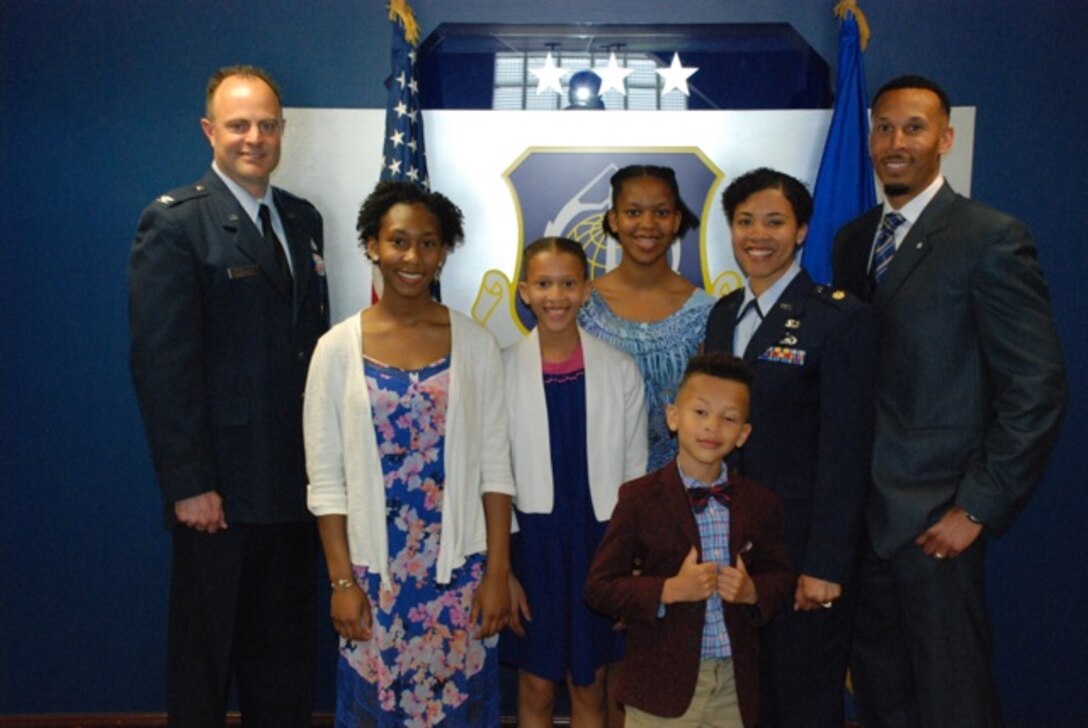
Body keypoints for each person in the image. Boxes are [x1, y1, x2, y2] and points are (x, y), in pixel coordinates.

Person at [832, 75, 1068, 727]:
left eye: (913, 127)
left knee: (952, 701)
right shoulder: (853, 243)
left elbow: (1036, 386)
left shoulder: (989, 236)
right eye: (884, 127)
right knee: (882, 700)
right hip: (862, 525)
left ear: (946, 137)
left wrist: (978, 506)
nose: (896, 142)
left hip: (938, 525)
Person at [128, 65, 327, 725]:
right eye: (239, 124)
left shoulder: (303, 220)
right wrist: (189, 482)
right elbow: (163, 363)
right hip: (218, 492)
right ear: (209, 130)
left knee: (285, 665)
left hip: (293, 486)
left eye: (267, 124)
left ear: (282, 131)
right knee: (204, 668)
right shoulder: (177, 224)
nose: (254, 137)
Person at [303, 181, 514, 727]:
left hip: (460, 576)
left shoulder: (476, 344)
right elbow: (326, 481)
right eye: (399, 241)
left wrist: (496, 571)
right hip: (374, 577)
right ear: (372, 244)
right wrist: (342, 583)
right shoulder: (335, 350)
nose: (413, 257)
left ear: (444, 252)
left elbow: (496, 466)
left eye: (428, 243)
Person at [703, 168, 875, 727]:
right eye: (745, 221)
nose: (758, 234)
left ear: (801, 230)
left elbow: (846, 451)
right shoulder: (723, 314)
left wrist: (825, 563)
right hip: (732, 551)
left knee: (802, 701)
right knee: (745, 701)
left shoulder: (839, 318)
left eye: (775, 222)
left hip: (802, 555)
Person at [585, 353, 793, 728]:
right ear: (673, 417)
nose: (713, 427)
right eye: (700, 412)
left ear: (744, 433)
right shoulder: (638, 498)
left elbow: (780, 576)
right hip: (659, 687)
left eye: (728, 418)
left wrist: (752, 593)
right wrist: (668, 590)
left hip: (733, 686)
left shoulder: (760, 503)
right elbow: (600, 588)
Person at [501, 237, 648, 727]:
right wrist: (503, 567)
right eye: (543, 284)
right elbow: (493, 475)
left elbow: (634, 478)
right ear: (524, 292)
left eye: (567, 284)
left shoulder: (620, 370)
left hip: (598, 542)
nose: (555, 296)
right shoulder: (501, 371)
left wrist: (631, 561)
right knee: (537, 682)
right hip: (532, 545)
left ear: (586, 290)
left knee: (590, 682)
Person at [579, 164, 716, 472]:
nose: (648, 224)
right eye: (633, 212)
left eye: (662, 212)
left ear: (676, 220)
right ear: (614, 220)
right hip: (596, 482)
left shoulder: (706, 313)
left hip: (679, 490)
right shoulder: (582, 306)